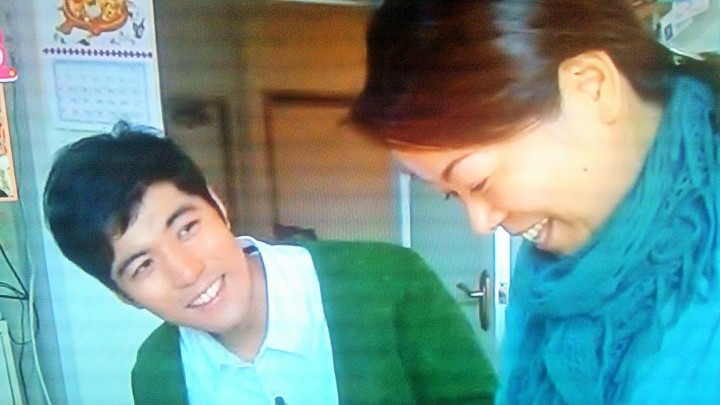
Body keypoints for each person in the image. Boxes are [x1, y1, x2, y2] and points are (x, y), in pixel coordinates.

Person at [349, 0, 720, 404]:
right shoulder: (547, 284)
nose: (481, 223)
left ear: (591, 87)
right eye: (452, 194)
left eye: (479, 180)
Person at [42, 121, 497, 405]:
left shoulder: (389, 281)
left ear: (218, 206)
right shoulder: (157, 370)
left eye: (187, 227)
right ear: (124, 296)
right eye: (142, 266)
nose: (187, 271)